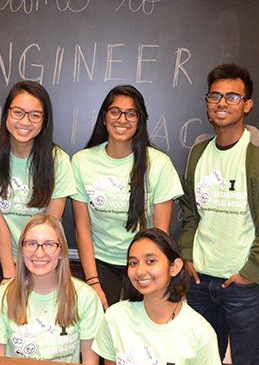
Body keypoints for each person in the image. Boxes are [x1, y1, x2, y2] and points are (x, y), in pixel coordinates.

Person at [178, 63, 259, 365]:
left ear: (247, 105)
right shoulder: (199, 151)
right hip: (200, 281)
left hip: (245, 285)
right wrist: (187, 255)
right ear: (207, 102)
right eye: (215, 96)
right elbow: (189, 211)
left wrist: (251, 272)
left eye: (232, 96)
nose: (222, 103)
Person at [71, 85, 183, 310]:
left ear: (139, 121)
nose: (122, 119)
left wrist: (151, 272)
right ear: (104, 118)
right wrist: (93, 282)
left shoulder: (159, 164)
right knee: (101, 326)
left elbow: (160, 232)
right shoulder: (82, 162)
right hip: (100, 263)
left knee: (141, 327)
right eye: (115, 112)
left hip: (144, 263)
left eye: (131, 114)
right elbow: (82, 229)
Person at [0, 81, 76, 293]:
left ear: (44, 121)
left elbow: (50, 226)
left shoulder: (58, 161)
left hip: (44, 258)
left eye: (35, 115)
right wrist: (9, 275)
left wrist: (37, 265)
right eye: (18, 112)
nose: (25, 121)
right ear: (7, 113)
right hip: (2, 258)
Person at [92, 228, 223, 365]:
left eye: (150, 261)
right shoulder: (114, 317)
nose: (140, 271)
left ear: (175, 267)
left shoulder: (200, 333)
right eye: (133, 263)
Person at [0, 214, 103, 364]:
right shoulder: (0, 298)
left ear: (61, 251)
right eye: (32, 244)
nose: (39, 253)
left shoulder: (86, 297)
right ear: (22, 250)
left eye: (49, 245)